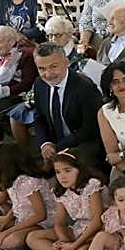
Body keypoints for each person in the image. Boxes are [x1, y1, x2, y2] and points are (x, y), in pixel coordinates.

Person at [24, 150, 104, 250]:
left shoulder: (91, 185)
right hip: (77, 229)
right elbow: (59, 223)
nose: (62, 176)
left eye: (67, 170)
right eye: (58, 172)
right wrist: (64, 240)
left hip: (94, 232)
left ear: (79, 169)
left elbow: (97, 221)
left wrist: (73, 245)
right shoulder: (60, 192)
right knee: (32, 237)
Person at [31, 42, 105, 170]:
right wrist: (45, 143)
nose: (47, 74)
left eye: (53, 67)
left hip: (83, 143)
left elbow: (90, 129)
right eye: (41, 69)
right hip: (55, 144)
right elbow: (39, 117)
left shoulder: (85, 87)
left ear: (66, 62)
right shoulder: (39, 84)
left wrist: (58, 147)